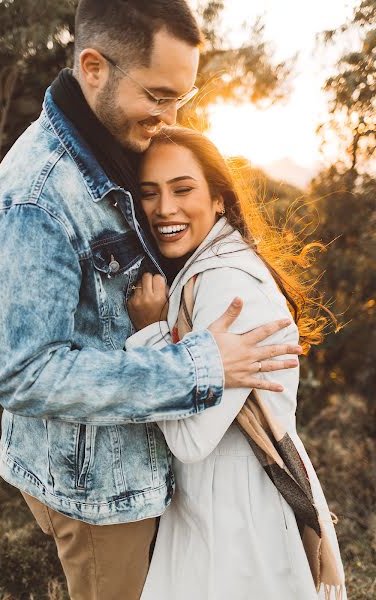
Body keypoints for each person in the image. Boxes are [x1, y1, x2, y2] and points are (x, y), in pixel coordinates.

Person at [0, 2, 303, 599]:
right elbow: (25, 374)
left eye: (181, 97)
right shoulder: (36, 200)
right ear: (93, 67)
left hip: (133, 472)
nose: (169, 115)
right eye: (157, 95)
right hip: (99, 491)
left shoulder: (108, 143)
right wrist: (198, 364)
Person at [125, 126, 347, 600]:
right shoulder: (201, 270)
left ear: (220, 199)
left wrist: (149, 335)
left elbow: (189, 439)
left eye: (183, 189)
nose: (164, 208)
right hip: (212, 508)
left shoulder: (228, 284)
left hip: (237, 522)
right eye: (149, 194)